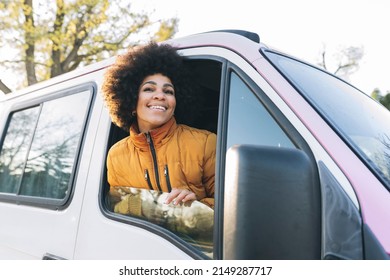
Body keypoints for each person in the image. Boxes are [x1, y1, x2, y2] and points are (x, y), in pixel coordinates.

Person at [101, 42, 216, 209]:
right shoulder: (116, 155)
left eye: (168, 91)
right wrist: (140, 205)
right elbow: (115, 207)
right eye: (149, 89)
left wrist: (196, 206)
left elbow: (230, 208)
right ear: (131, 99)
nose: (160, 96)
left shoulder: (206, 142)